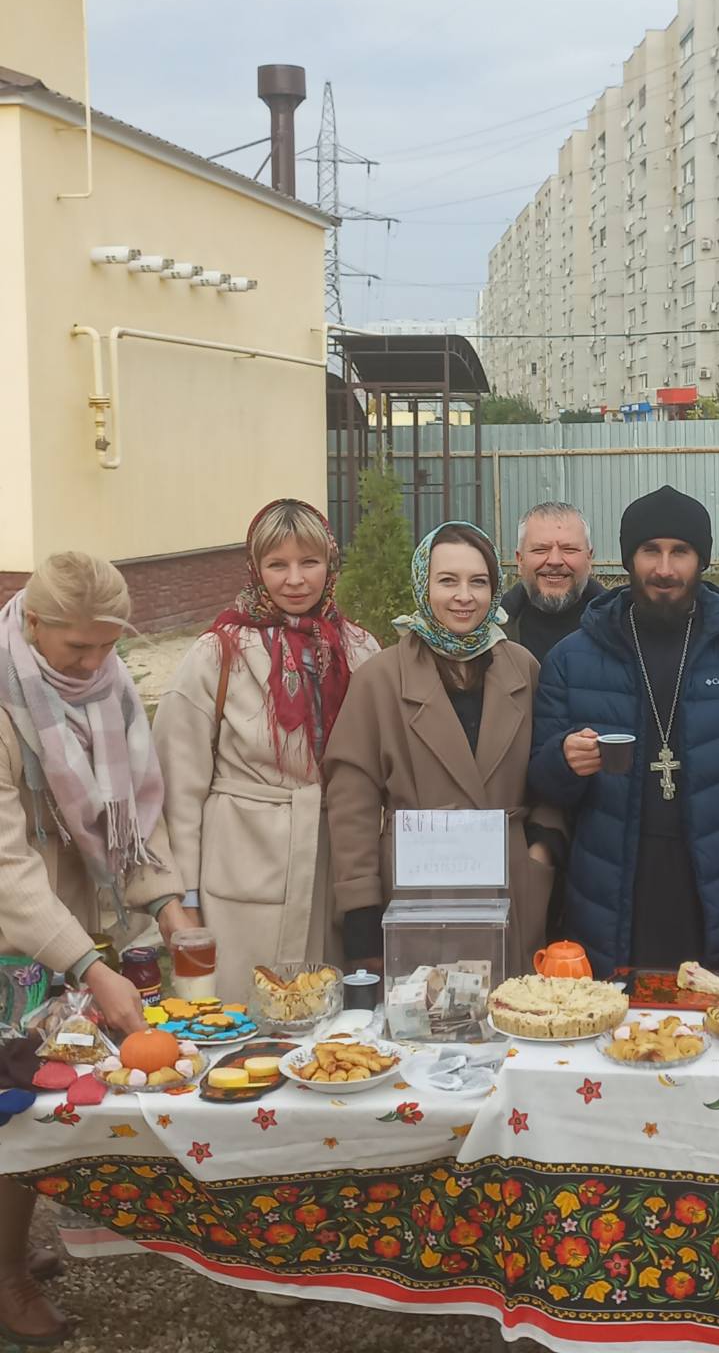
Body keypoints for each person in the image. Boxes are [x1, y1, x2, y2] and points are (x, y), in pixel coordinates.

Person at [0, 553, 190, 1348]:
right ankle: (5, 1280)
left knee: (40, 1090)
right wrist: (91, 966)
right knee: (10, 1099)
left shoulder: (106, 687)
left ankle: (7, 1243)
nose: (95, 662)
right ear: (32, 622)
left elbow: (131, 817)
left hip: (65, 926)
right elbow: (8, 862)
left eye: (108, 645)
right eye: (78, 648)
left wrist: (172, 908)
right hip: (19, 924)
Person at [528, 484, 719, 977]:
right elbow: (542, 783)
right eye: (649, 551)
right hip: (613, 896)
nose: (664, 569)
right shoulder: (573, 656)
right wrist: (563, 761)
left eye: (681, 552)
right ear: (627, 559)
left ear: (702, 559)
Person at [154, 500, 378, 1000]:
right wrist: (183, 896)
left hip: (331, 861)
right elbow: (178, 789)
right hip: (240, 868)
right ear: (256, 569)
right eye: (278, 564)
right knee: (237, 1015)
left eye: (310, 562)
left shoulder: (360, 650)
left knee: (328, 1027)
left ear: (331, 564)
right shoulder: (217, 654)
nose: (295, 579)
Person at [324, 522, 565, 972]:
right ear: (423, 585)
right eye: (447, 580)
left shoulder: (524, 668)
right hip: (418, 892)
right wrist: (360, 912)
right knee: (422, 1024)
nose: (464, 596)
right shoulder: (380, 678)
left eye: (479, 582)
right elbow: (351, 802)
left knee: (512, 1026)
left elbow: (548, 770)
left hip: (509, 883)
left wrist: (542, 849)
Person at [501, 501, 605, 662]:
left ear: (589, 558)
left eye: (569, 549)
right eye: (540, 550)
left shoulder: (625, 627)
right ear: (520, 560)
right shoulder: (491, 632)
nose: (555, 561)